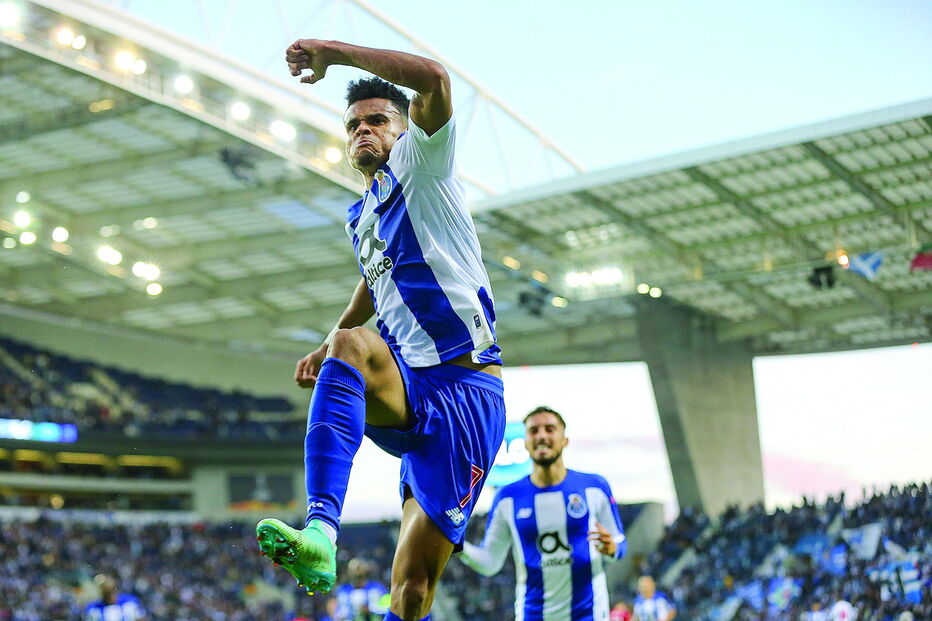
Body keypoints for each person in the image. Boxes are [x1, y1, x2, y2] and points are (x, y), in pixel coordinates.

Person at [255, 37, 506, 621]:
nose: (362, 131)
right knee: (349, 347)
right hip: (409, 383)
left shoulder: (423, 163)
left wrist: (334, 54)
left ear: (404, 128)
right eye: (353, 126)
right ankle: (320, 534)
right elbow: (374, 280)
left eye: (376, 121)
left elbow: (435, 78)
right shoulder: (361, 214)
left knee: (411, 590)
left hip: (466, 392)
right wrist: (329, 340)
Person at [458, 406, 626, 620]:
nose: (541, 436)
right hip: (534, 614)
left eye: (550, 429)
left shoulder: (595, 487)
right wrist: (458, 545)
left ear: (564, 440)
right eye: (534, 431)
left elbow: (620, 543)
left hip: (589, 613)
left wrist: (612, 548)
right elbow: (490, 562)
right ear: (525, 442)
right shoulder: (507, 497)